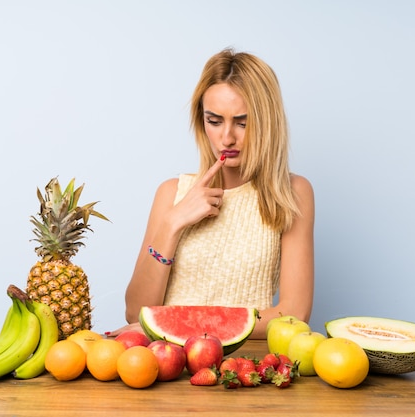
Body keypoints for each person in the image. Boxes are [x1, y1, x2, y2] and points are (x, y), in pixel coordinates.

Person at [108, 48, 314, 339]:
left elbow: (294, 313)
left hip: (243, 369)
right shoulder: (171, 193)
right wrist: (172, 223)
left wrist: (185, 324)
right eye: (214, 121)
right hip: (170, 368)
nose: (227, 137)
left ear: (267, 122)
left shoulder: (292, 193)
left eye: (243, 122)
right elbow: (136, 312)